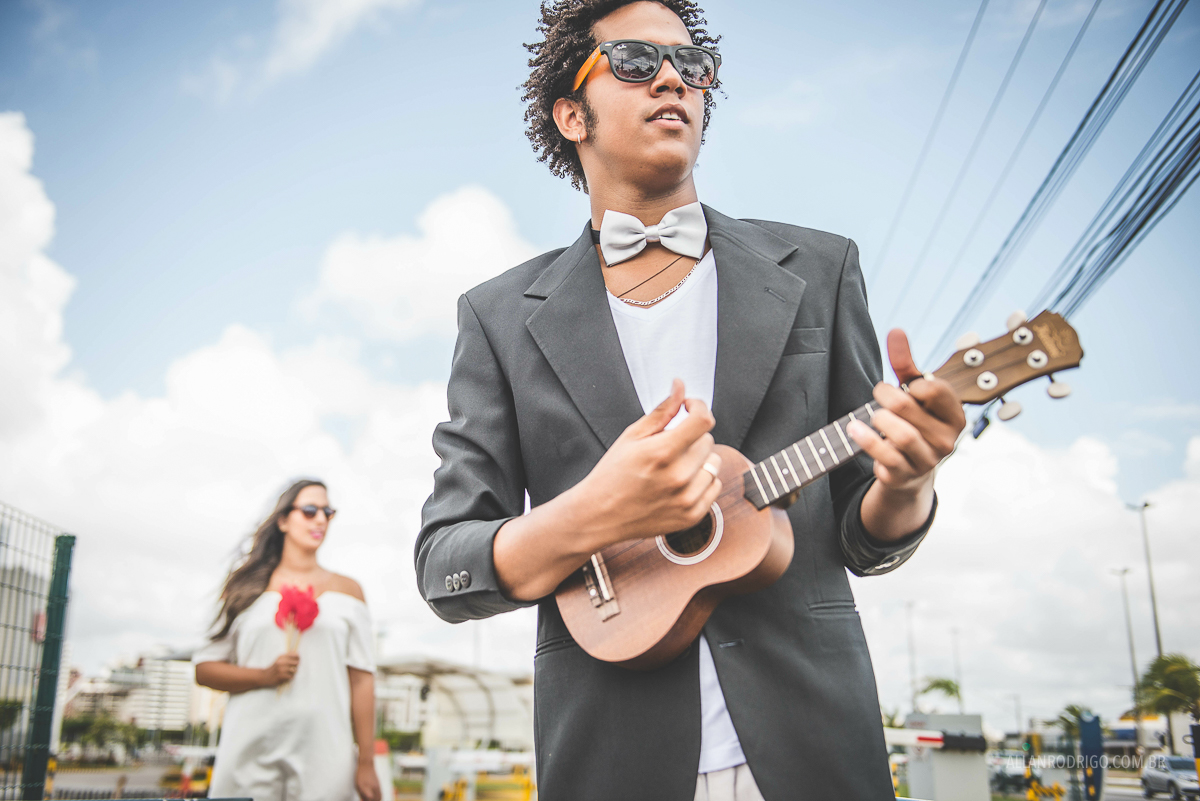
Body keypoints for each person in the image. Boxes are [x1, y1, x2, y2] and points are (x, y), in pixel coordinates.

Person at [415, 1, 966, 798]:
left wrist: (908, 484)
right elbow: (444, 565)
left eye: (693, 64)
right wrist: (592, 512)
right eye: (635, 62)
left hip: (813, 747)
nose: (673, 77)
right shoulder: (497, 318)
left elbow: (861, 536)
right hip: (609, 756)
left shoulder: (822, 268)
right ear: (572, 113)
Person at [195, 479, 382, 801]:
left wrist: (365, 761)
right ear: (283, 520)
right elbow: (204, 669)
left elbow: (362, 679)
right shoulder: (244, 587)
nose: (321, 519)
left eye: (328, 512)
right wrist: (263, 676)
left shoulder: (350, 591)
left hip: (325, 752)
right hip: (249, 747)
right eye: (310, 510)